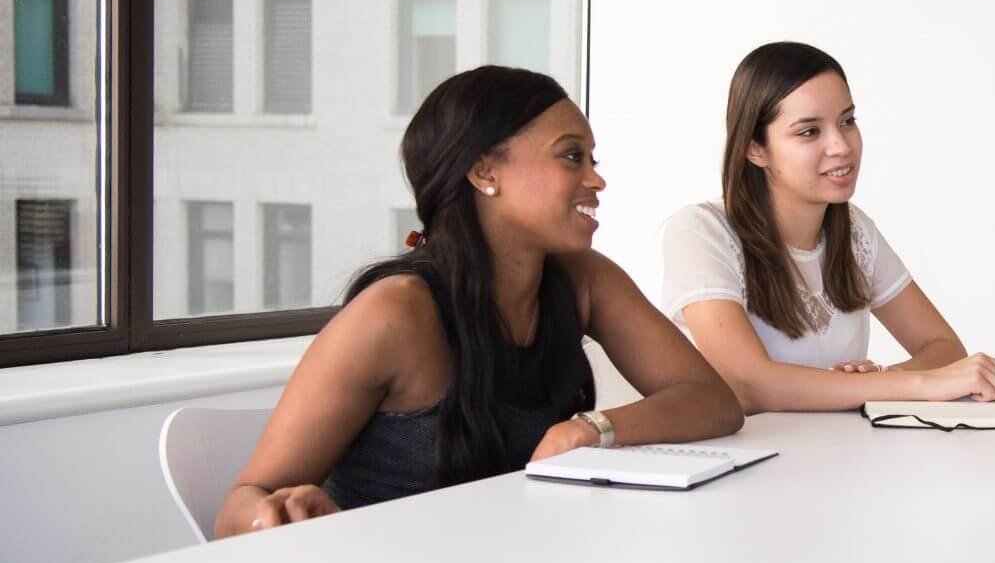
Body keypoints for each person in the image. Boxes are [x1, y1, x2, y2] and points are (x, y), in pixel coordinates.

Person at [217, 66, 742, 536]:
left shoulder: (584, 280)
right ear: (485, 172)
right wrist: (277, 516)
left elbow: (711, 400)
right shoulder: (394, 315)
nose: (596, 178)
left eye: (591, 158)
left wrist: (590, 428)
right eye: (570, 156)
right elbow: (239, 509)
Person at [660, 41, 995, 413]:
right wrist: (898, 385)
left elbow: (942, 347)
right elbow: (749, 385)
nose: (841, 146)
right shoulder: (700, 231)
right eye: (809, 132)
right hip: (749, 463)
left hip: (841, 457)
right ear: (755, 149)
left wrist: (872, 383)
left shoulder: (855, 229)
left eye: (847, 121)